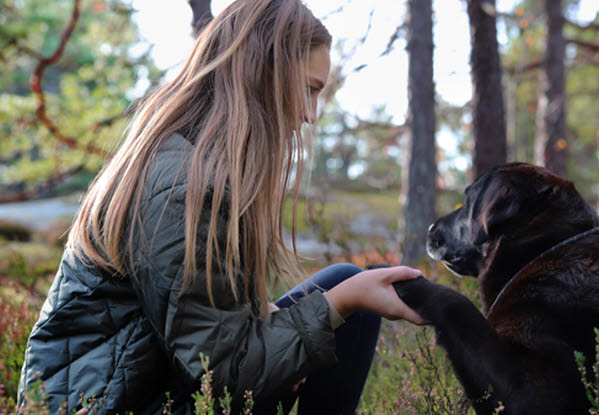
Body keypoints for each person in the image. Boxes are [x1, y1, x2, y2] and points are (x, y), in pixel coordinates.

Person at [16, 1, 423, 414]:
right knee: (346, 297)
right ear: (264, 71)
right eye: (309, 89)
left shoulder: (193, 160)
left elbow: (212, 326)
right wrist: (345, 301)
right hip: (112, 404)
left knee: (340, 283)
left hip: (144, 385)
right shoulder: (187, 189)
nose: (310, 115)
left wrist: (298, 329)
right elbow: (225, 373)